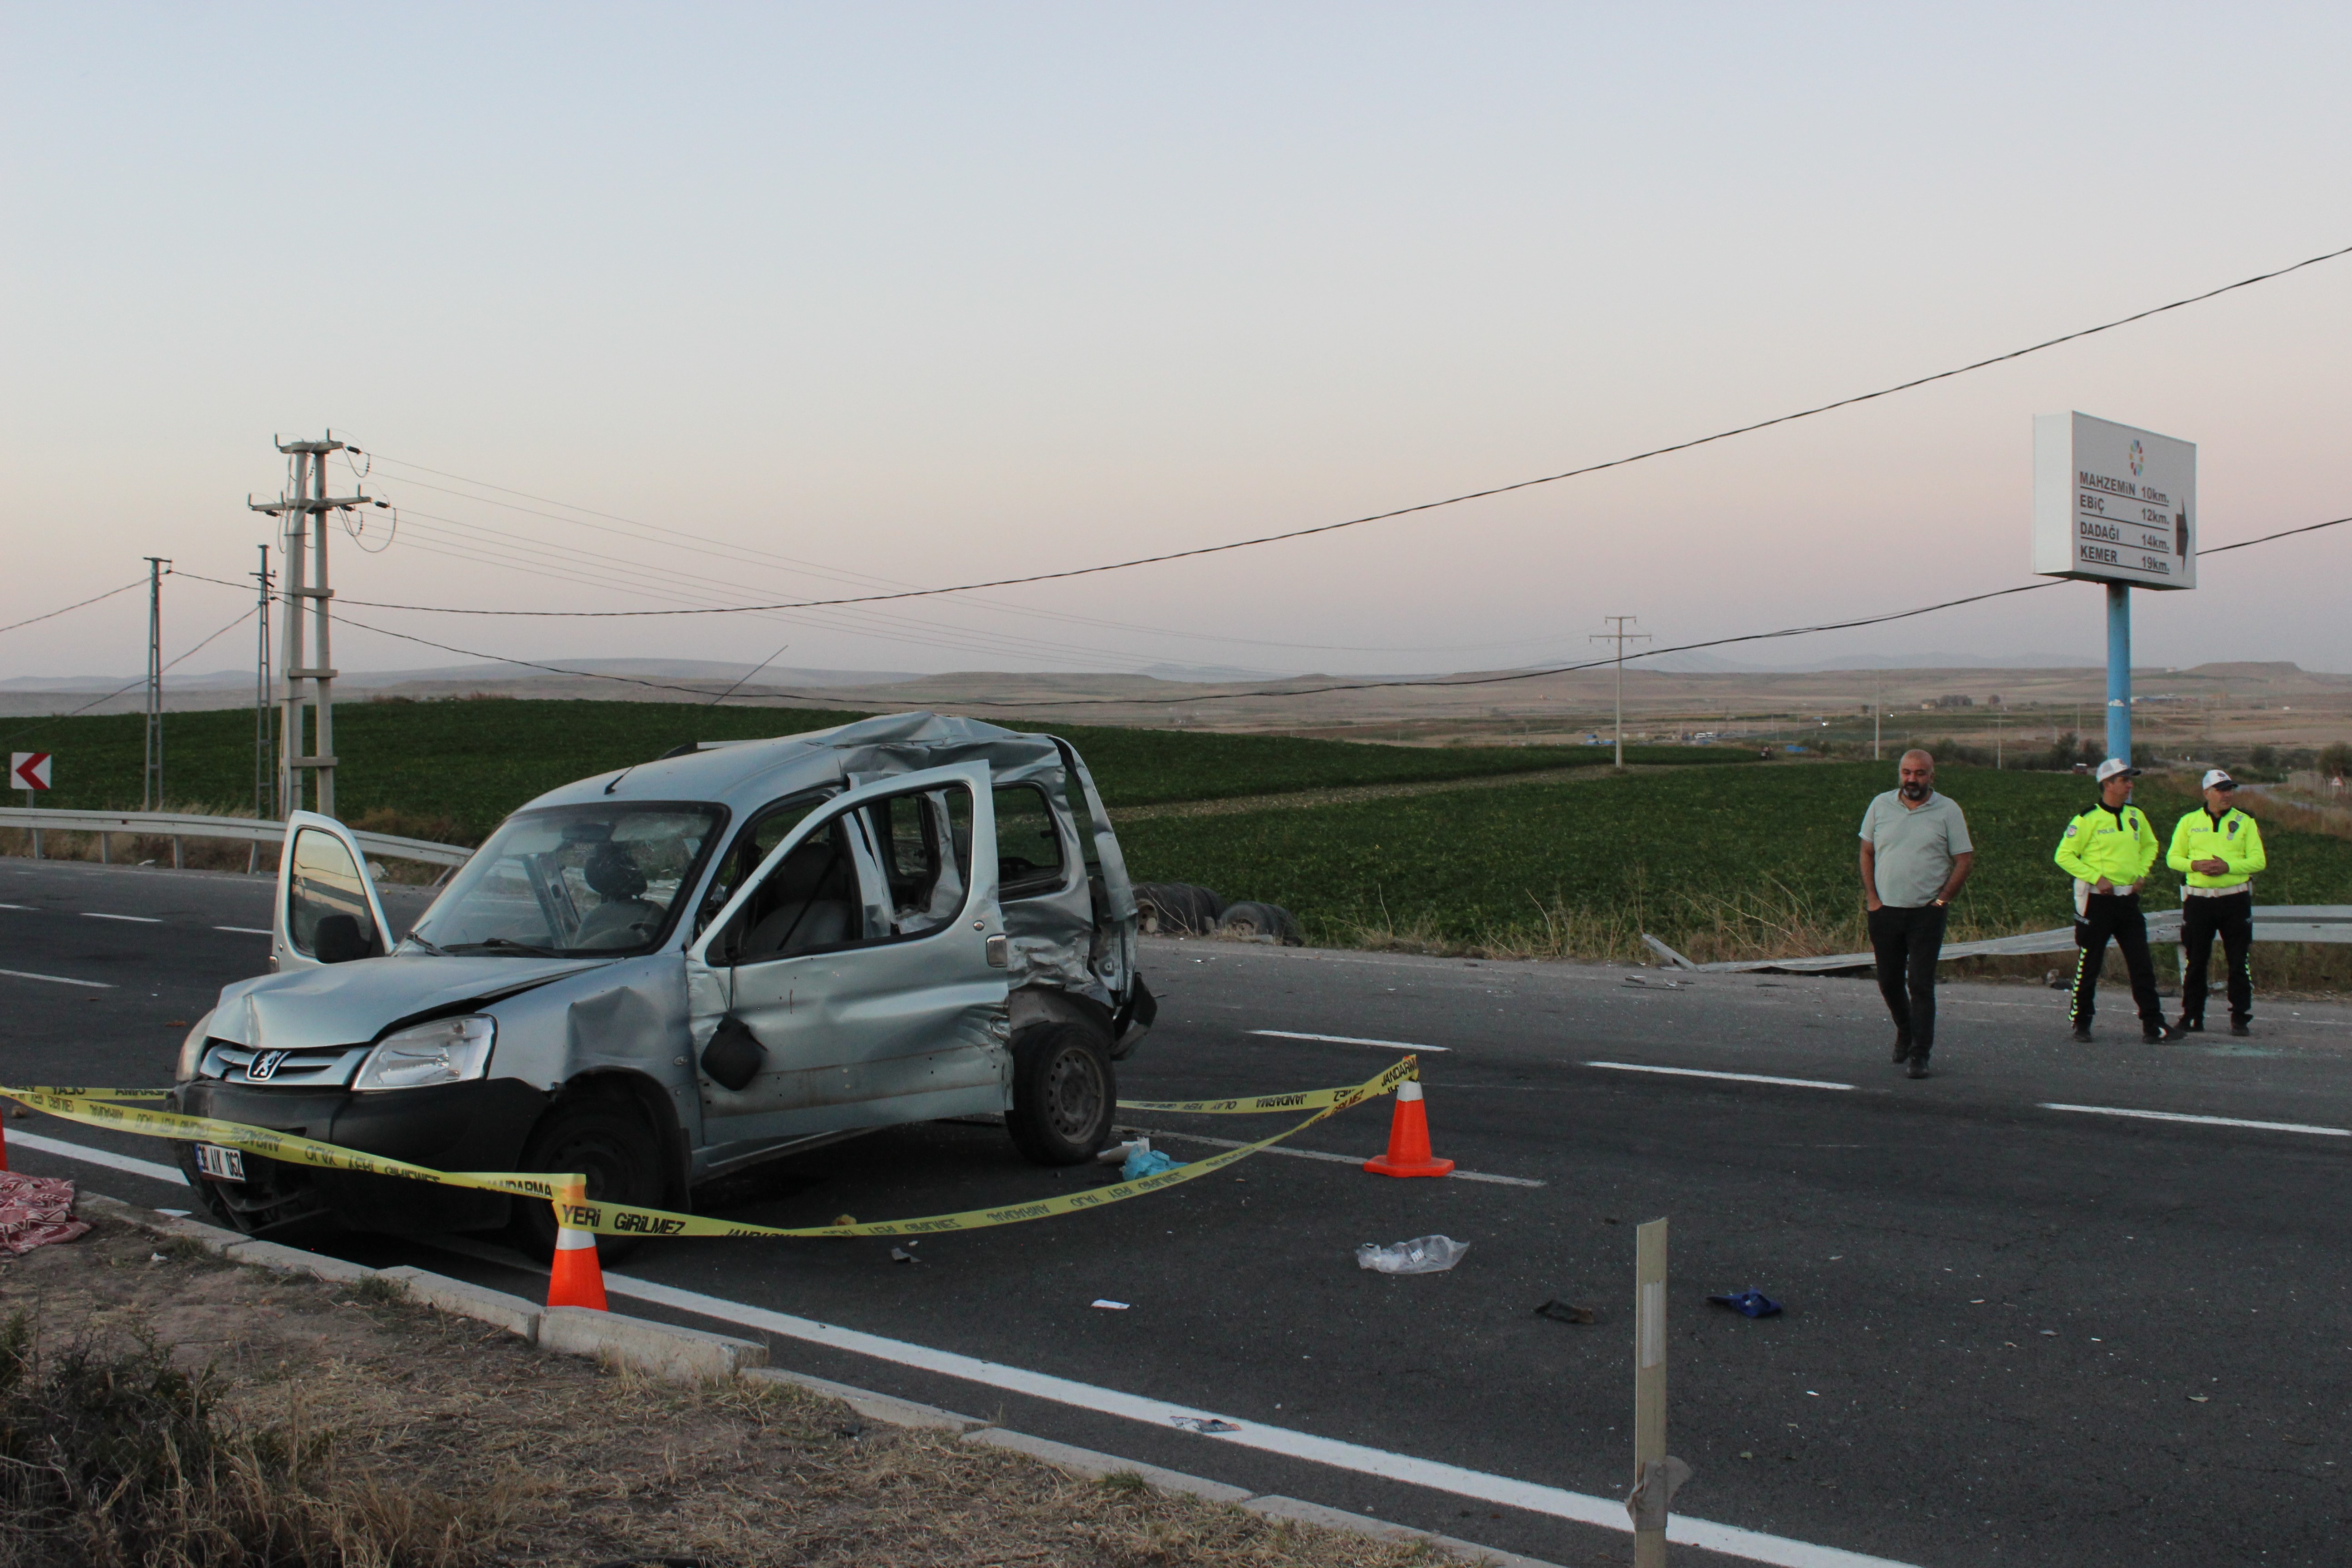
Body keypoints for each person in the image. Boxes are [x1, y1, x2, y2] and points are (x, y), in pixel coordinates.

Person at [1859, 750, 1974, 1079]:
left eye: (1920, 773)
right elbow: (1867, 851)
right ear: (1900, 774)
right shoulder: (1881, 805)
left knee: (1921, 985)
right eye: (1907, 773)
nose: (1913, 779)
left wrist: (1942, 900)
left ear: (1932, 777)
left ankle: (1920, 1055)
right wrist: (1872, 899)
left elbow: (1964, 859)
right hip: (1885, 911)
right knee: (1889, 982)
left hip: (1926, 914)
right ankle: (1905, 1031)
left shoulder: (1948, 810)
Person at [2055, 759, 2181, 1044]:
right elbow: (2063, 856)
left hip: (2128, 902)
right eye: (2124, 780)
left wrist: (2141, 874)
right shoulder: (2087, 819)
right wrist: (2095, 877)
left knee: (2141, 963)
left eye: (2130, 779)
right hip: (2098, 903)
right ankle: (2082, 1021)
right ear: (2107, 784)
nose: (2130, 785)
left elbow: (2151, 845)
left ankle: (2153, 1024)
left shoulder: (2136, 816)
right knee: (2090, 962)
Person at [2167, 767, 2266, 1037]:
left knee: (2238, 960)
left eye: (2230, 789)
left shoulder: (2245, 822)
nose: (2227, 795)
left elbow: (2258, 861)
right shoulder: (2189, 822)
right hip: (2199, 901)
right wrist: (2195, 864)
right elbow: (2173, 858)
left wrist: (2228, 867)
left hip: (2234, 899)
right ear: (2206, 793)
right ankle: (2192, 1016)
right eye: (2221, 790)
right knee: (2196, 960)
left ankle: (2240, 1017)